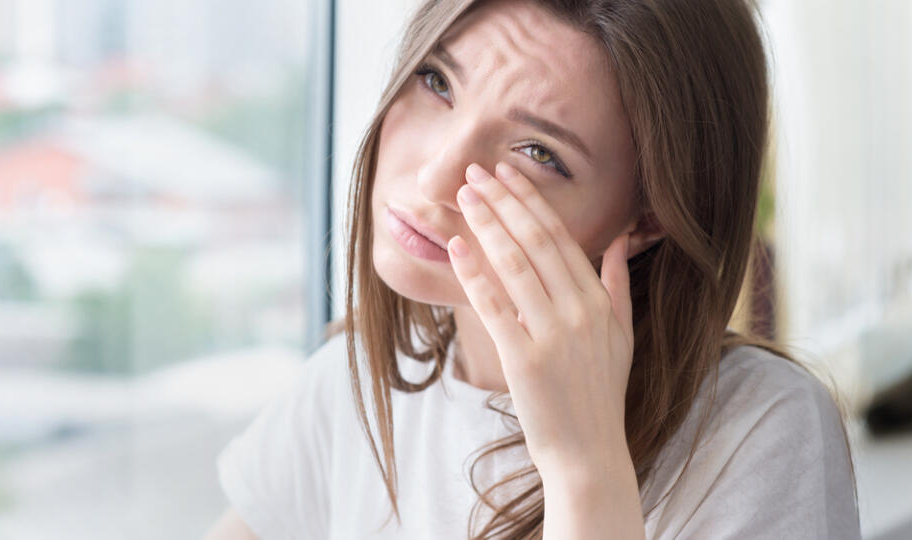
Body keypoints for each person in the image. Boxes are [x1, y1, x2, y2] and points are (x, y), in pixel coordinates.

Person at [205, 0, 861, 538]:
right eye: (437, 82)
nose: (434, 178)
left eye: (536, 152)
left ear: (647, 219)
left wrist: (584, 473)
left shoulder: (760, 431)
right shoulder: (352, 391)